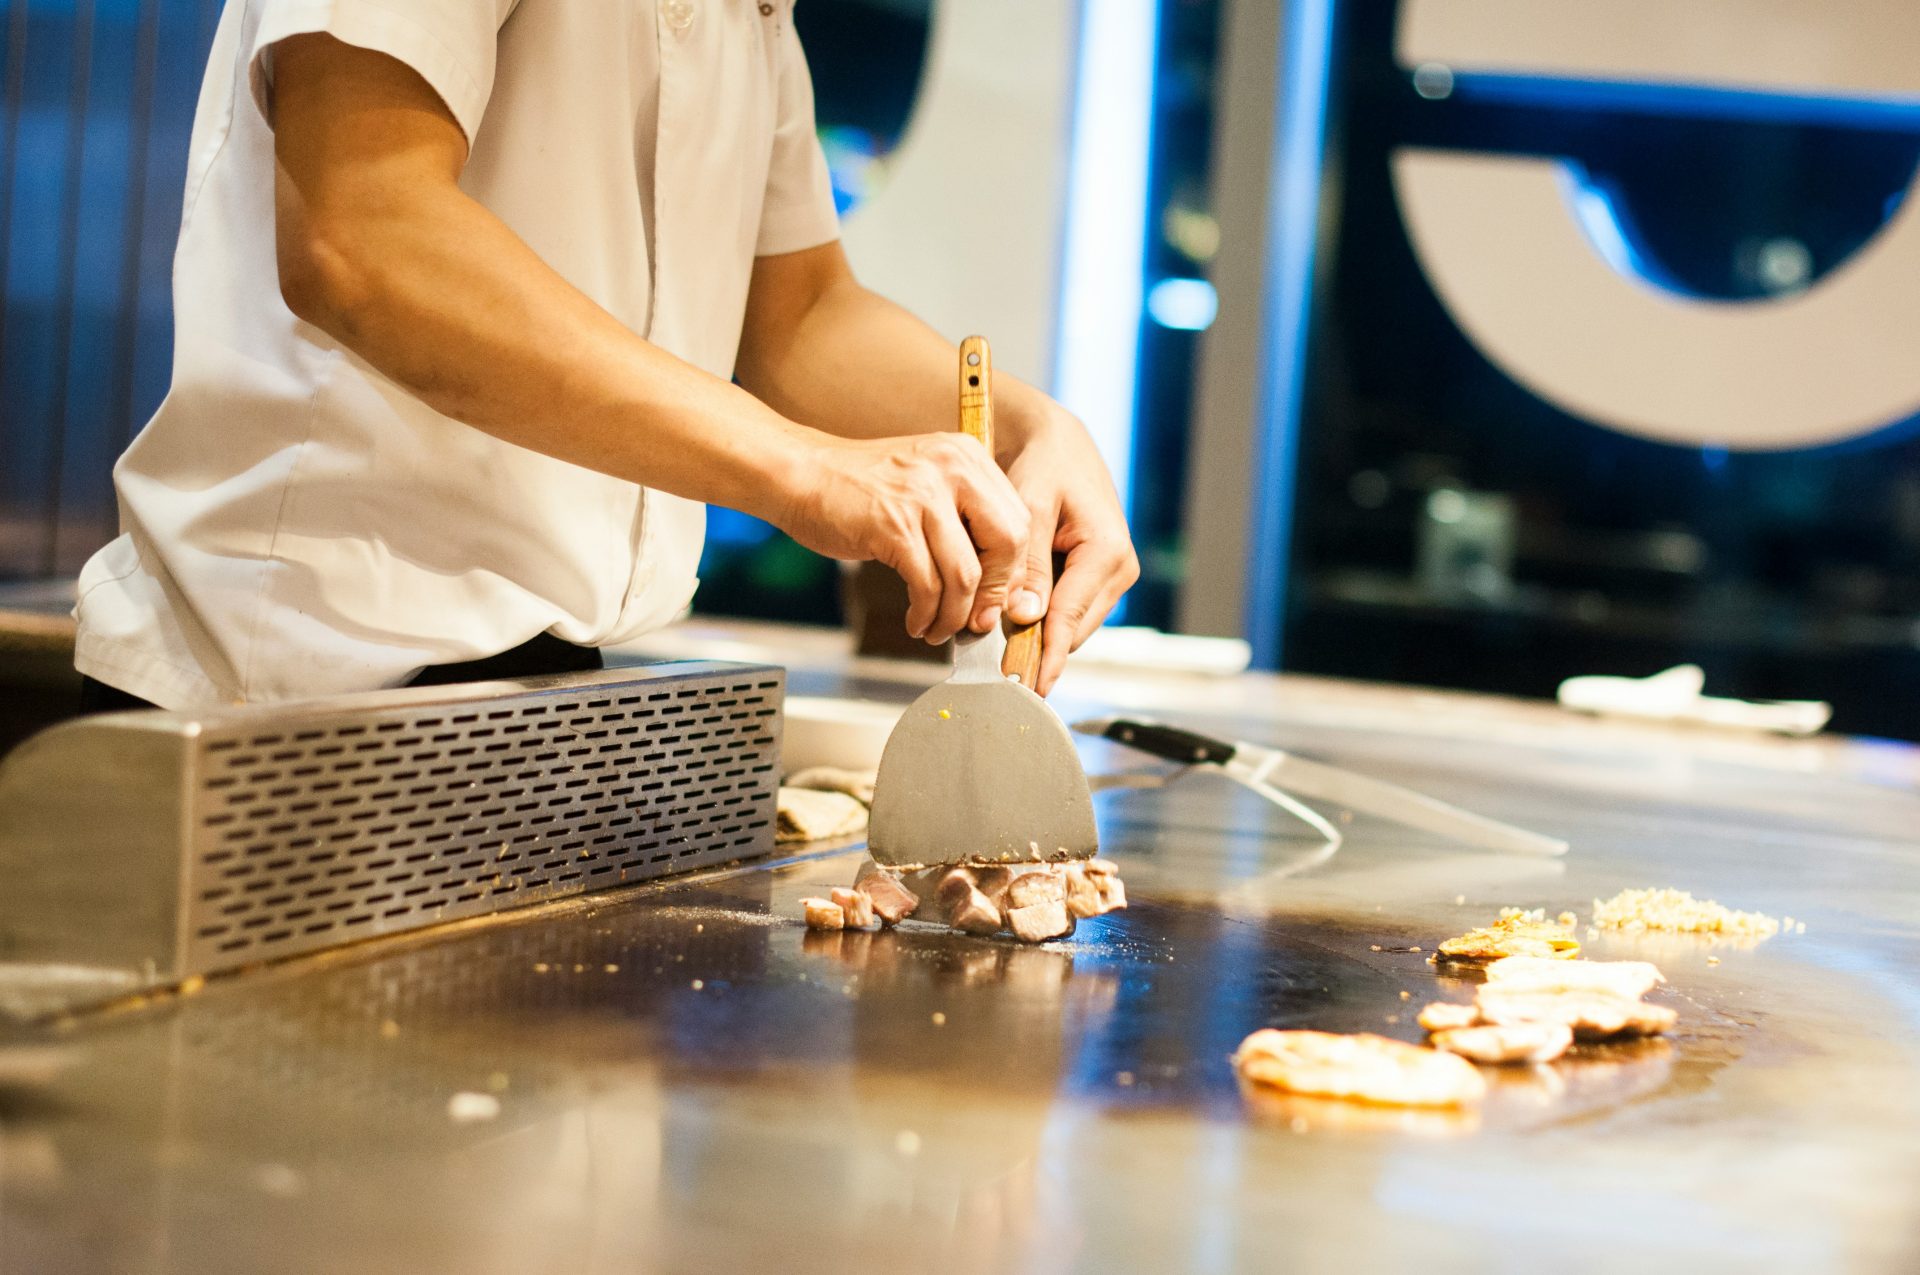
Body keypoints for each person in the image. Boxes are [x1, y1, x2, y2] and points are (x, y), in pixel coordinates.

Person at [73, 0, 1136, 712]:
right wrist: (807, 470)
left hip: (544, 700)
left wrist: (1030, 428)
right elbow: (363, 235)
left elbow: (801, 316)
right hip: (285, 695)